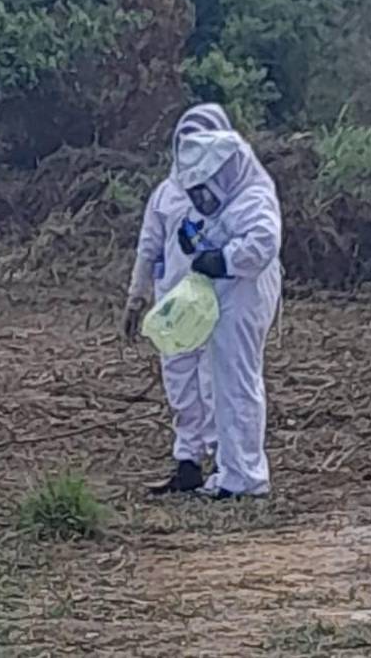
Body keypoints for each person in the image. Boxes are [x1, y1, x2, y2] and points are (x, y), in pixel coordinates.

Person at [123, 104, 282, 499]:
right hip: (193, 303)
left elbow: (261, 244)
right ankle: (222, 470)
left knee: (231, 384)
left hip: (237, 297)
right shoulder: (204, 194)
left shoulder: (252, 197)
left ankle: (243, 476)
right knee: (204, 382)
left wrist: (223, 260)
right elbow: (161, 242)